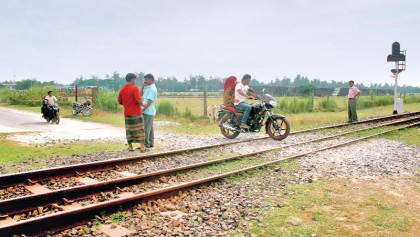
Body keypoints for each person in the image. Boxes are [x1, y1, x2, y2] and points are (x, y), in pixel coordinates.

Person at [118, 73, 146, 151]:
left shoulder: (122, 90)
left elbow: (120, 101)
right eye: (135, 79)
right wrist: (143, 105)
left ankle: (130, 147)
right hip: (136, 113)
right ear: (132, 79)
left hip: (127, 114)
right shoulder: (135, 88)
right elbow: (138, 100)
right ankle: (142, 146)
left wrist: (127, 104)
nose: (135, 81)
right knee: (139, 129)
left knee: (129, 130)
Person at [141, 73, 158, 148]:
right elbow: (140, 95)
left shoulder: (152, 89)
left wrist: (143, 109)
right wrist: (142, 87)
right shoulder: (148, 87)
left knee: (146, 128)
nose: (145, 81)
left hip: (148, 111)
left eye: (146, 79)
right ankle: (151, 143)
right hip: (148, 111)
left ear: (151, 79)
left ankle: (146, 144)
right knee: (150, 128)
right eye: (145, 80)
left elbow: (150, 101)